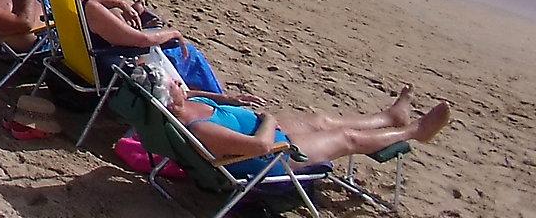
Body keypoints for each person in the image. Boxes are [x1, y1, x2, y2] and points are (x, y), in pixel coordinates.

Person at [143, 61, 448, 177]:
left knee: (323, 120)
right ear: (170, 100)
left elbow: (197, 94)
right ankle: (415, 131)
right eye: (172, 84)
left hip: (262, 131)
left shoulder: (184, 106)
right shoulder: (200, 128)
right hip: (273, 158)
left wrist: (232, 100)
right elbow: (260, 147)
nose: (177, 82)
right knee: (346, 139)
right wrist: (269, 120)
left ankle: (388, 116)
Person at [61, 0, 225, 92]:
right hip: (107, 70)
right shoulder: (92, 9)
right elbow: (141, 40)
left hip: (79, 65)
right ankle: (217, 100)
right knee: (186, 54)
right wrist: (174, 33)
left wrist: (121, 3)